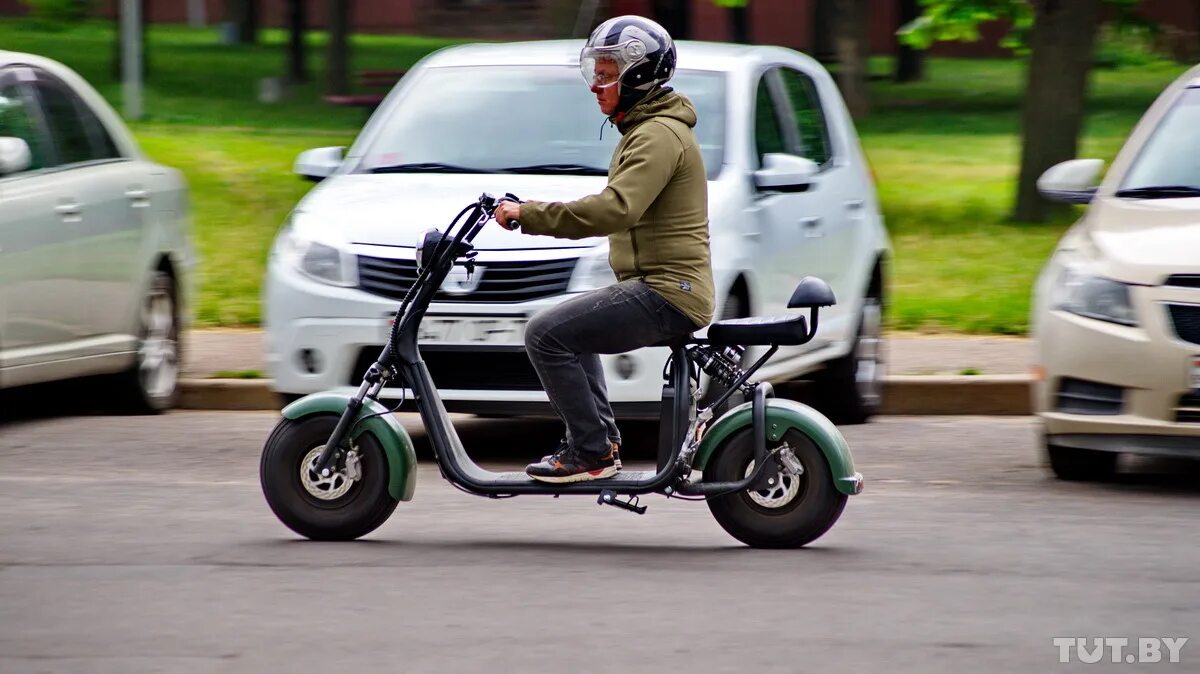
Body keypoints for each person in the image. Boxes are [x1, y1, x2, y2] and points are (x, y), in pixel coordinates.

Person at [492, 15, 715, 483]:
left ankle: (589, 452)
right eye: (596, 71)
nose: (596, 84)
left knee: (546, 334)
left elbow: (616, 209)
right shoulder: (649, 129)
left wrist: (528, 214)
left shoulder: (657, 135)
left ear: (639, 74)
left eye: (607, 71)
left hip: (668, 291)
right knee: (572, 330)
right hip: (661, 286)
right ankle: (600, 443)